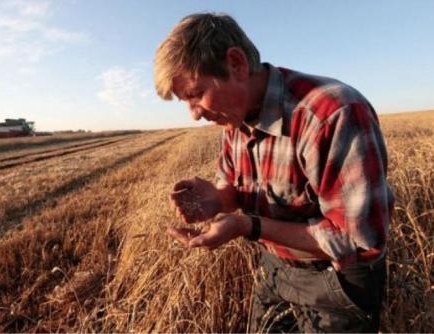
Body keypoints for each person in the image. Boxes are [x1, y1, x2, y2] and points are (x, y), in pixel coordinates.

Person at [154, 12, 394, 333]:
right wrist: (218, 199)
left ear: (236, 64)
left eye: (196, 94)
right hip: (276, 269)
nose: (194, 115)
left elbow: (356, 240)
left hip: (337, 282)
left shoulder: (331, 114)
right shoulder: (234, 120)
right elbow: (235, 190)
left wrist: (246, 226)